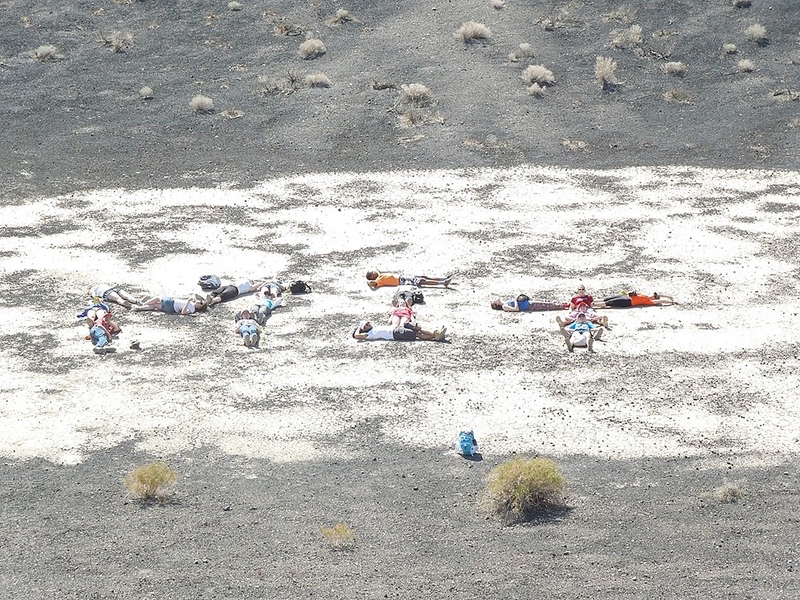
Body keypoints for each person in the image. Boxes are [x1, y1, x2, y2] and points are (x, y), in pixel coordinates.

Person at [351, 321, 447, 342]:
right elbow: (356, 336)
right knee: (416, 334)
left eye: (368, 323)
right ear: (364, 329)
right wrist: (358, 329)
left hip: (395, 329)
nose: (369, 324)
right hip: (394, 334)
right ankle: (434, 337)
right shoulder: (368, 334)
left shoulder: (373, 329)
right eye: (366, 325)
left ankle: (435, 334)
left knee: (417, 329)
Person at [366, 270, 453, 289]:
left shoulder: (380, 275)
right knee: (421, 281)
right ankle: (443, 283)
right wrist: (369, 283)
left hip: (403, 277)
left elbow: (377, 270)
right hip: (402, 281)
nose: (375, 272)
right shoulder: (378, 280)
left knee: (424, 277)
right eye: (372, 272)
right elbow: (373, 284)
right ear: (372, 276)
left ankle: (444, 278)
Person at [594, 292, 678, 308]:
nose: (653, 295)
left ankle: (593, 305)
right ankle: (591, 302)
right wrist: (669, 296)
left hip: (628, 302)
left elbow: (661, 301)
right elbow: (659, 295)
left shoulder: (649, 301)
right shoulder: (645, 295)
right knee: (608, 298)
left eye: (655, 296)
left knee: (609, 303)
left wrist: (671, 302)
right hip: (626, 296)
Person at [133, 296, 208, 314]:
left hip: (172, 304)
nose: (199, 301)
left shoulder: (192, 309)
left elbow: (184, 312)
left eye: (201, 303)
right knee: (155, 305)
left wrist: (188, 302)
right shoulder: (192, 306)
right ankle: (140, 308)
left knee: (158, 298)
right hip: (171, 307)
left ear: (200, 306)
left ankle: (142, 304)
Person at [491, 295, 566, 312]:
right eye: (494, 301)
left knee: (545, 302)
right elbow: (516, 309)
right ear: (496, 304)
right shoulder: (504, 306)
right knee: (544, 305)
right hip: (528, 306)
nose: (496, 299)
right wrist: (516, 300)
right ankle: (561, 306)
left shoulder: (505, 302)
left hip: (527, 303)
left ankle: (561, 304)